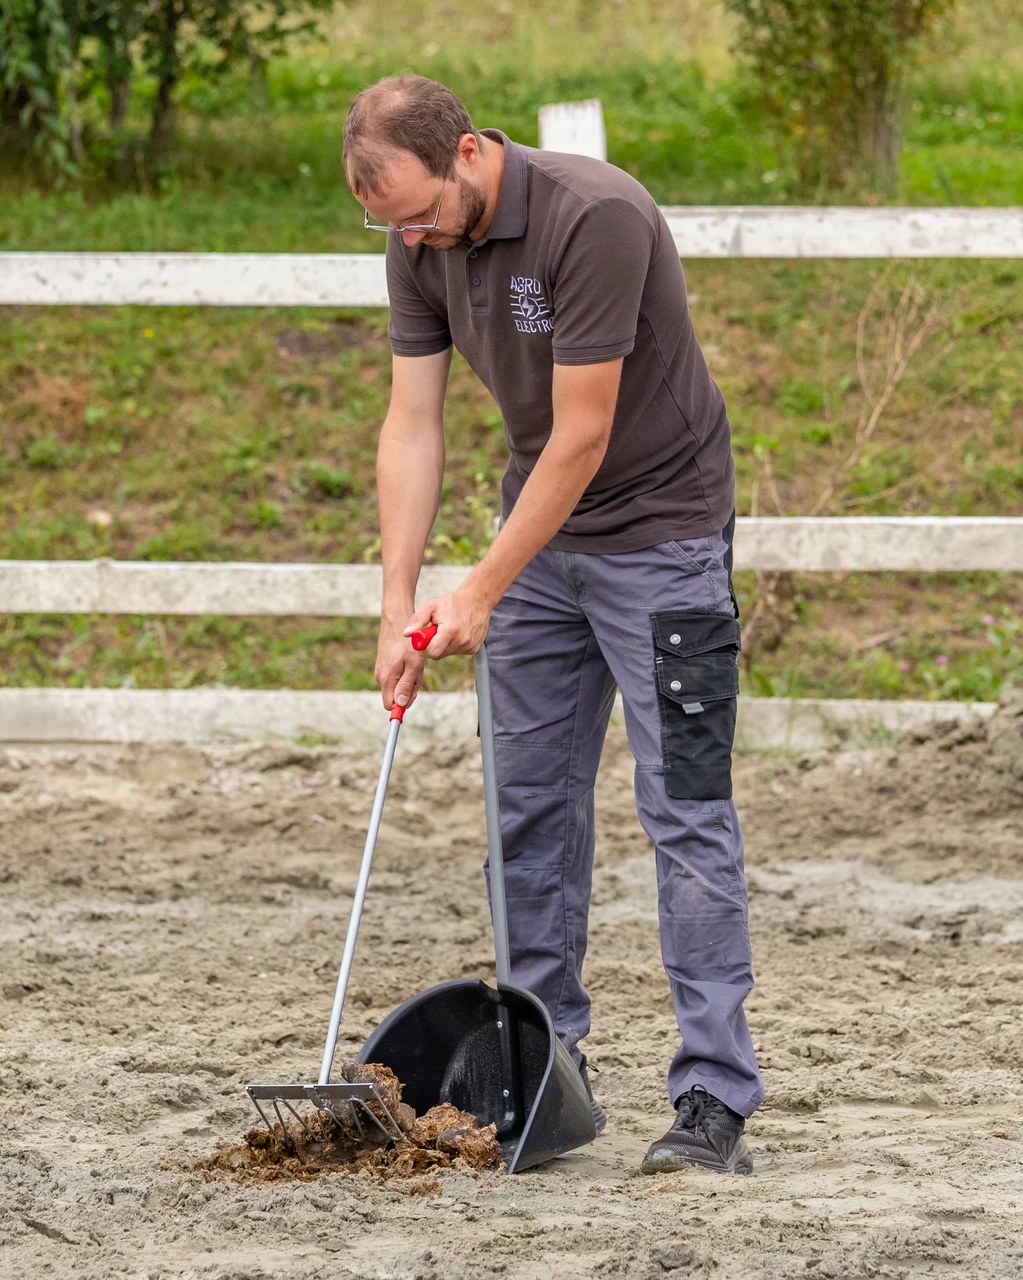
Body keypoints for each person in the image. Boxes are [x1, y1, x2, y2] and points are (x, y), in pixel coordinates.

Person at [344, 75, 762, 1176]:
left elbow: (580, 435)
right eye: (396, 230)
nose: (417, 241)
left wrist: (477, 585)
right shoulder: (417, 242)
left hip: (662, 537)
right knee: (522, 811)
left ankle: (713, 1095)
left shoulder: (597, 216)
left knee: (684, 812)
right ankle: (546, 1068)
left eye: (423, 214)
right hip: (538, 547)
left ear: (470, 152)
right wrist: (400, 606)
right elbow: (412, 423)